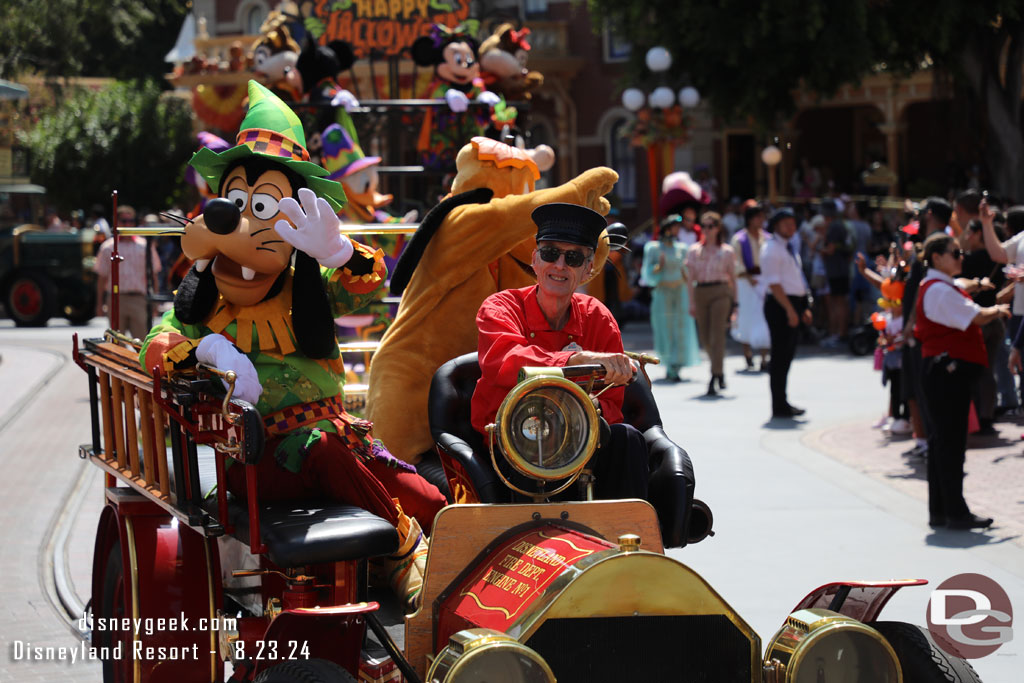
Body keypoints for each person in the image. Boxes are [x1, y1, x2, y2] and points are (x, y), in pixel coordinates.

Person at [472, 203, 650, 500]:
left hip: (583, 438)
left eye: (574, 257)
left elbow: (612, 404)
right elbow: (503, 362)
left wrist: (575, 417)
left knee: (628, 439)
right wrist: (576, 360)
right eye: (550, 253)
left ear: (587, 269)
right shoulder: (500, 306)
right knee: (533, 444)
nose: (560, 265)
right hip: (511, 437)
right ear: (535, 260)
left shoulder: (598, 316)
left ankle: (631, 537)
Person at [914, 232, 1008, 529]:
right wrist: (1000, 309)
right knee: (950, 443)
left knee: (944, 441)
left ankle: (942, 510)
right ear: (938, 258)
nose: (961, 257)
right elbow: (977, 316)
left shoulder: (939, 284)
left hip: (944, 371)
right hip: (947, 372)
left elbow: (961, 285)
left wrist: (979, 284)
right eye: (955, 253)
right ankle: (955, 512)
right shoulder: (939, 290)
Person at [761, 207, 813, 419]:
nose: (791, 227)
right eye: (786, 223)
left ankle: (782, 402)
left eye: (793, 223)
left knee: (786, 356)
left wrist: (804, 306)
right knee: (780, 357)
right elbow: (774, 285)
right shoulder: (772, 249)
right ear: (776, 226)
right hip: (781, 305)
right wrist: (791, 310)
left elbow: (795, 278)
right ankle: (779, 405)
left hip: (791, 303)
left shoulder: (788, 247)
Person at [958, 218, 1005, 435]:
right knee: (988, 370)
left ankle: (977, 416)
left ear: (979, 234)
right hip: (997, 318)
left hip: (978, 321)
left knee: (974, 370)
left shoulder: (969, 260)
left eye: (969, 232)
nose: (966, 237)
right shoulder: (1001, 258)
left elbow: (957, 285)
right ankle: (987, 415)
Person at [641, 214, 699, 381]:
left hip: (680, 292)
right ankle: (668, 363)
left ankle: (678, 363)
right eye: (674, 226)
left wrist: (686, 275)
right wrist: (658, 267)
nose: (676, 229)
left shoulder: (682, 248)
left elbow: (689, 273)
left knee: (680, 328)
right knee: (665, 328)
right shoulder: (653, 248)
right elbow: (647, 274)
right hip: (662, 292)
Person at [686, 211, 736, 396]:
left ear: (718, 228)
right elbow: (690, 279)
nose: (706, 230)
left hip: (721, 291)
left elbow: (733, 278)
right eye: (704, 226)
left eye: (710, 226)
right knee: (706, 338)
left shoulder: (727, 251)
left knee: (717, 335)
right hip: (701, 292)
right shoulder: (694, 250)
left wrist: (735, 303)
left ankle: (714, 375)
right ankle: (719, 370)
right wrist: (691, 302)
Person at [93, 205, 162, 340]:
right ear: (116, 222)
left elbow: (153, 275)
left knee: (143, 344)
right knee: (117, 345)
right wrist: (99, 304)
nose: (128, 225)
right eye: (124, 221)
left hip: (139, 299)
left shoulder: (144, 245)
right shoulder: (108, 247)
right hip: (116, 299)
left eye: (131, 221)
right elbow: (102, 277)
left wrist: (155, 302)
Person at [731, 201, 770, 372]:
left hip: (764, 280)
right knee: (746, 317)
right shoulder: (740, 238)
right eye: (758, 217)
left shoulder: (767, 238)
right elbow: (736, 260)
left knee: (764, 317)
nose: (761, 220)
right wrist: (746, 275)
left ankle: (764, 356)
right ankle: (747, 352)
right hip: (746, 282)